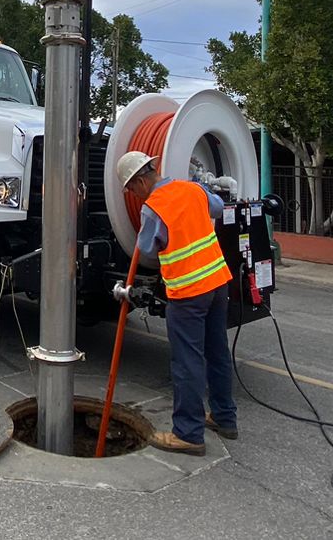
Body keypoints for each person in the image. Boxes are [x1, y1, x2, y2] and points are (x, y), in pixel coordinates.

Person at [117, 150, 237, 456]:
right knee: (217, 352)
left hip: (187, 292)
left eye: (131, 189)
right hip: (217, 283)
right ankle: (225, 417)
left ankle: (189, 433)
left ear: (141, 181)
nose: (133, 194)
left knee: (187, 362)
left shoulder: (153, 207)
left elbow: (146, 249)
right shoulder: (193, 188)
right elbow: (220, 207)